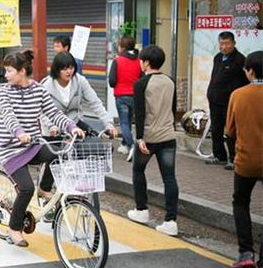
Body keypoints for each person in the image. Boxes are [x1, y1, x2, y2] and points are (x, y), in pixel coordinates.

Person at [0, 50, 84, 247]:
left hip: (33, 145)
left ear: (21, 71)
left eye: (9, 71)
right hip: (11, 149)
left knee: (57, 153)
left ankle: (45, 189)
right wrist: (19, 132)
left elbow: (53, 113)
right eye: (6, 71)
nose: (6, 75)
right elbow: (9, 116)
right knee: (26, 188)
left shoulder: (38, 90)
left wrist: (72, 127)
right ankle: (14, 228)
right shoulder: (4, 91)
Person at [127, 45, 179, 236]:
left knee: (138, 170)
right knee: (169, 178)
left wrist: (140, 137)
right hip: (168, 136)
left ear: (146, 62)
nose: (140, 63)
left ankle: (141, 210)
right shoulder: (170, 81)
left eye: (141, 60)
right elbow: (172, 110)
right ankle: (171, 221)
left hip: (148, 137)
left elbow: (139, 113)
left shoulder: (141, 83)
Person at [224, 51, 263, 268]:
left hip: (246, 160)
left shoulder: (238, 95)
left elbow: (229, 130)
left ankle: (246, 252)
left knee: (241, 201)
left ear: (250, 71)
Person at [40, 52, 116, 138]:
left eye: (71, 68)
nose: (69, 72)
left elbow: (95, 103)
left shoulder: (79, 81)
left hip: (76, 128)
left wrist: (108, 124)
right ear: (57, 70)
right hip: (53, 131)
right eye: (64, 69)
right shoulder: (46, 85)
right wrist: (51, 126)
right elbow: (43, 112)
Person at [206, 31, 249, 169]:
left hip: (230, 102)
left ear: (234, 43)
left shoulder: (240, 60)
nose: (224, 47)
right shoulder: (218, 57)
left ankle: (234, 158)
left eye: (227, 43)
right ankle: (219, 155)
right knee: (216, 129)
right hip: (214, 99)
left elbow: (246, 82)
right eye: (222, 43)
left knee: (231, 131)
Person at [108, 36, 141, 162]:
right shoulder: (139, 61)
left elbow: (112, 81)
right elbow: (142, 77)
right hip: (135, 96)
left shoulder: (118, 60)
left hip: (121, 95)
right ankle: (124, 145)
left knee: (124, 123)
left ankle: (132, 146)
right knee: (128, 121)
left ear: (122, 47)